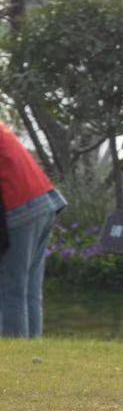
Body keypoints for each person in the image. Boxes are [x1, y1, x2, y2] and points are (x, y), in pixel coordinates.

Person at [0, 119, 64, 339]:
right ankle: (31, 357)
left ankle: (15, 357)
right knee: (28, 289)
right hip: (43, 202)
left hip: (21, 206)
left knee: (10, 289)